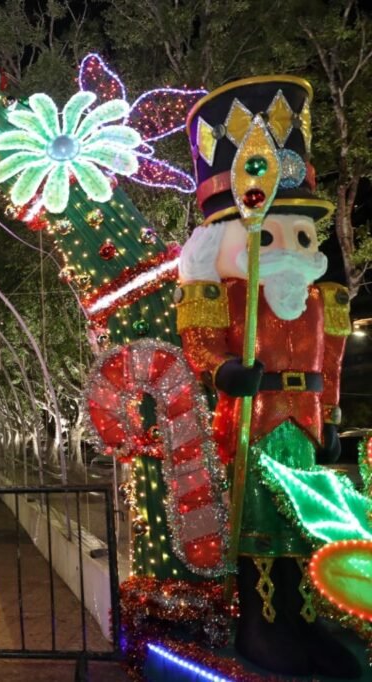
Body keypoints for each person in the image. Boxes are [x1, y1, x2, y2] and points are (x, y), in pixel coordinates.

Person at [176, 76, 359, 678]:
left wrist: (331, 419)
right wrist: (225, 370)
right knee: (257, 521)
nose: (291, 249)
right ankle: (261, 624)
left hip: (303, 427)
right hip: (251, 426)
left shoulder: (322, 301)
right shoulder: (222, 295)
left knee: (303, 522)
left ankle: (305, 621)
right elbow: (202, 346)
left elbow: (330, 364)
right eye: (271, 235)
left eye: (302, 235)